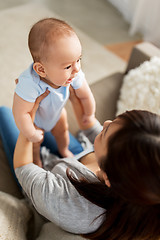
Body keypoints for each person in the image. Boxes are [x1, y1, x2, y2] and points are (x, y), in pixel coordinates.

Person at [1, 89, 160, 240]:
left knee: (6, 114)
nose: (105, 122)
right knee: (49, 113)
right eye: (116, 119)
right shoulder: (133, 174)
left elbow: (23, 167)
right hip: (75, 156)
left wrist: (28, 123)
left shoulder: (70, 205)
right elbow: (106, 135)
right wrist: (87, 117)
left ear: (109, 176)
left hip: (42, 178)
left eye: (105, 132)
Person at [12, 17, 96, 166]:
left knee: (63, 131)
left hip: (57, 115)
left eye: (78, 59)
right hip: (36, 121)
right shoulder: (29, 83)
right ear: (41, 69)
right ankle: (37, 160)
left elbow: (86, 95)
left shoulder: (73, 74)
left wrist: (89, 114)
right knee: (35, 144)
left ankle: (64, 150)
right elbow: (20, 113)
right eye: (68, 66)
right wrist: (30, 133)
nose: (77, 68)